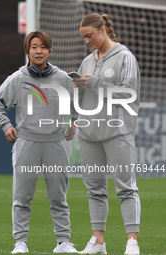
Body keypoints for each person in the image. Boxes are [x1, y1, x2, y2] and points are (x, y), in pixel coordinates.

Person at [0, 30, 78, 254]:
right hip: (26, 142)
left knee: (59, 196)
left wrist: (72, 122)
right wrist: (5, 125)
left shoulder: (63, 79)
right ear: (28, 50)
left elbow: (76, 105)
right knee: (22, 196)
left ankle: (63, 242)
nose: (39, 51)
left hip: (56, 143)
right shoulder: (17, 79)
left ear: (50, 50)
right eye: (34, 47)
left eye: (43, 47)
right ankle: (20, 242)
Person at [73, 13, 141, 255]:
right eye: (84, 37)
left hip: (117, 132)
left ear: (103, 30)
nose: (87, 41)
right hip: (89, 134)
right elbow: (80, 98)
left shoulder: (125, 57)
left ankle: (132, 241)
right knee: (94, 189)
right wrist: (72, 119)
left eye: (89, 36)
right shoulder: (87, 62)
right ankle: (98, 242)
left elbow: (129, 94)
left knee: (125, 188)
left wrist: (96, 83)